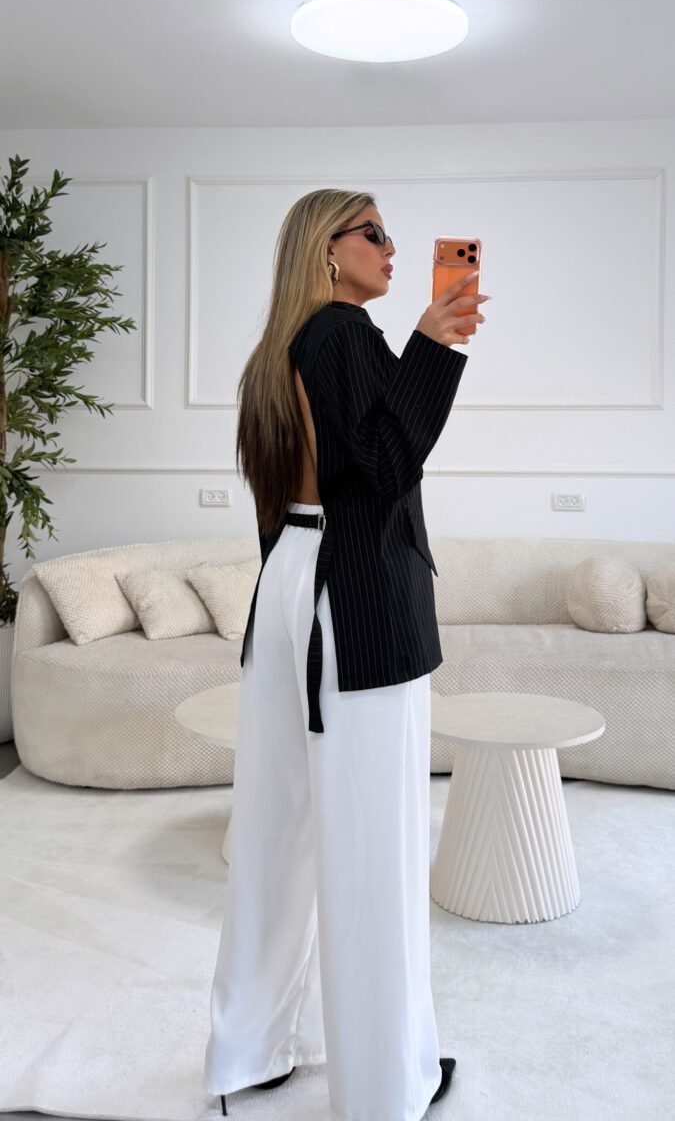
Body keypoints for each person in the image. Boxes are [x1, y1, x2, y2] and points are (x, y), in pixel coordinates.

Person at [202, 188, 490, 1120]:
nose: (391, 247)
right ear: (326, 249)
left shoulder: (278, 350)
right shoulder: (342, 333)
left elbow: (287, 488)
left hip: (292, 578)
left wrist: (295, 592)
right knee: (376, 844)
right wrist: (433, 347)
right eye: (374, 233)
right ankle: (385, 1086)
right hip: (353, 598)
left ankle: (248, 1053)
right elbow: (383, 464)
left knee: (275, 831)